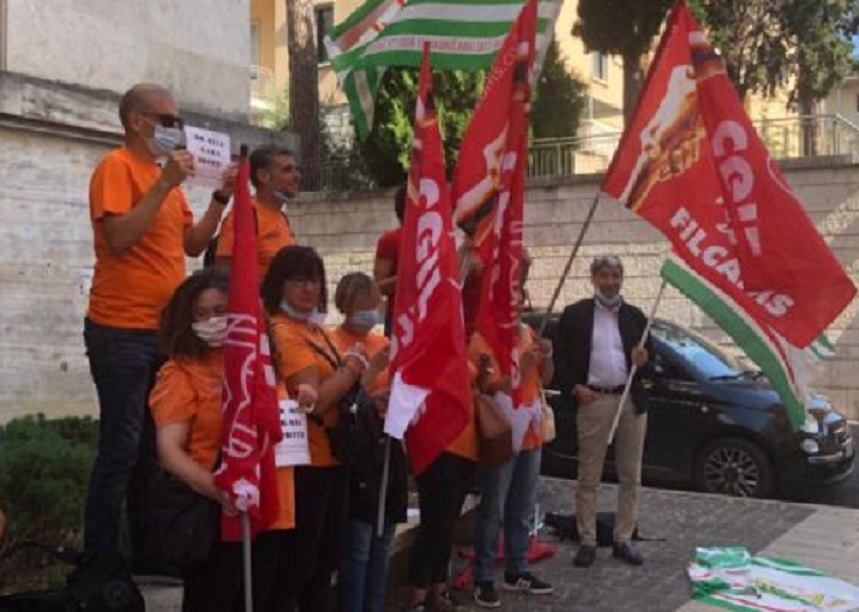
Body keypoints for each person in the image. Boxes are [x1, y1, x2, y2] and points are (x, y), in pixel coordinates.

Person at [83, 83, 235, 572]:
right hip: (120, 329)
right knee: (121, 446)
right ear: (137, 121)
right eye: (168, 120)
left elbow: (192, 244)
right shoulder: (117, 168)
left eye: (178, 120)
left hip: (164, 333)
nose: (176, 129)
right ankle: (100, 559)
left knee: (156, 445)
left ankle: (152, 554)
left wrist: (219, 197)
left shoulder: (162, 178)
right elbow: (119, 238)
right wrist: (165, 184)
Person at [262, 246, 370, 611]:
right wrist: (351, 370)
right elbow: (316, 400)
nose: (309, 289)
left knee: (325, 561)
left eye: (314, 280)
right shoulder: (283, 331)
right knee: (300, 564)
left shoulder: (315, 330)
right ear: (279, 284)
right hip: (305, 463)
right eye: (298, 280)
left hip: (334, 456)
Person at [148, 269, 241, 611]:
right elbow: (169, 451)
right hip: (208, 506)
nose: (212, 321)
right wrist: (219, 490)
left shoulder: (251, 363)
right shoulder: (179, 372)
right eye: (201, 314)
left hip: (258, 506)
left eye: (220, 311)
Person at [555, 255, 652, 568]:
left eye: (615, 276)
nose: (610, 282)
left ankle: (623, 538)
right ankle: (588, 539)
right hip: (594, 400)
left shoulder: (635, 316)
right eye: (604, 276)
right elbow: (560, 360)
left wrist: (643, 360)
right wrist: (574, 388)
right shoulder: (575, 315)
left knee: (630, 475)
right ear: (594, 278)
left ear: (622, 278)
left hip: (629, 401)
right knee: (589, 475)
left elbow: (651, 364)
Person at [470, 285, 554, 608]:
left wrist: (547, 357)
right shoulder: (483, 340)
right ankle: (483, 575)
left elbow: (546, 378)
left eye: (520, 301)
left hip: (530, 430)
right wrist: (522, 370)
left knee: (522, 505)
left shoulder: (529, 333)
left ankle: (517, 568)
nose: (516, 307)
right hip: (502, 431)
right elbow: (487, 388)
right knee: (494, 507)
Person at [331, 272, 408, 612]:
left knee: (383, 543)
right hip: (357, 455)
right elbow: (341, 399)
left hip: (388, 448)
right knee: (358, 547)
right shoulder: (333, 343)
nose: (370, 313)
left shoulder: (384, 342)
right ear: (345, 306)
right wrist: (372, 373)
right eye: (362, 306)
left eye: (373, 305)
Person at [215, 145, 300, 277]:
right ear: (263, 176)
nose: (297, 176)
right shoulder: (243, 218)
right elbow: (224, 274)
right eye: (287, 170)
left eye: (296, 169)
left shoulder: (283, 218)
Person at [373, 185, 406, 336]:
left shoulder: (439, 240)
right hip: (400, 319)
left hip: (432, 316)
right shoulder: (391, 240)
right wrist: (406, 277)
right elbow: (378, 286)